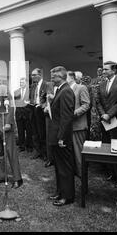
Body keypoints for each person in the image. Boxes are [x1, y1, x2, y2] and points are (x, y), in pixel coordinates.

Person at [47, 66, 75, 206]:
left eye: (53, 77)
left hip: (61, 137)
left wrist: (62, 138)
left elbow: (67, 118)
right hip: (56, 135)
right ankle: (60, 192)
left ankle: (67, 196)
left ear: (61, 77)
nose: (51, 80)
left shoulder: (66, 91)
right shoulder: (60, 90)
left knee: (65, 168)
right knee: (59, 167)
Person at [96, 61, 117, 185]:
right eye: (103, 70)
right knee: (107, 145)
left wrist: (109, 114)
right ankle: (112, 173)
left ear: (113, 70)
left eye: (106, 70)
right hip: (104, 119)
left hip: (116, 119)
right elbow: (98, 101)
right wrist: (103, 114)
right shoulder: (102, 83)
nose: (103, 72)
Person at [66, 71, 90, 178]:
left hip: (78, 125)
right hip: (67, 126)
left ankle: (82, 173)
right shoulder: (64, 90)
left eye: (65, 77)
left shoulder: (81, 88)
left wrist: (73, 114)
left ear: (71, 78)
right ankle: (73, 171)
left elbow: (86, 105)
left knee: (79, 151)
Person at [28, 68, 48, 160]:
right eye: (31, 75)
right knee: (34, 131)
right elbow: (31, 97)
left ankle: (44, 153)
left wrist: (42, 105)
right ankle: (37, 151)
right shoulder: (32, 86)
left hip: (41, 111)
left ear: (40, 75)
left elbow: (49, 99)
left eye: (34, 75)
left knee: (42, 132)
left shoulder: (46, 85)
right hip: (33, 110)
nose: (32, 77)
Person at [14, 77, 31, 152]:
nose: (21, 84)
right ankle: (21, 146)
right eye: (20, 82)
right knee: (20, 131)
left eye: (23, 82)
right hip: (18, 114)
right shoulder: (16, 92)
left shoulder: (30, 91)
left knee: (28, 131)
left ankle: (29, 146)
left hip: (27, 114)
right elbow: (15, 103)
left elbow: (30, 102)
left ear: (26, 83)